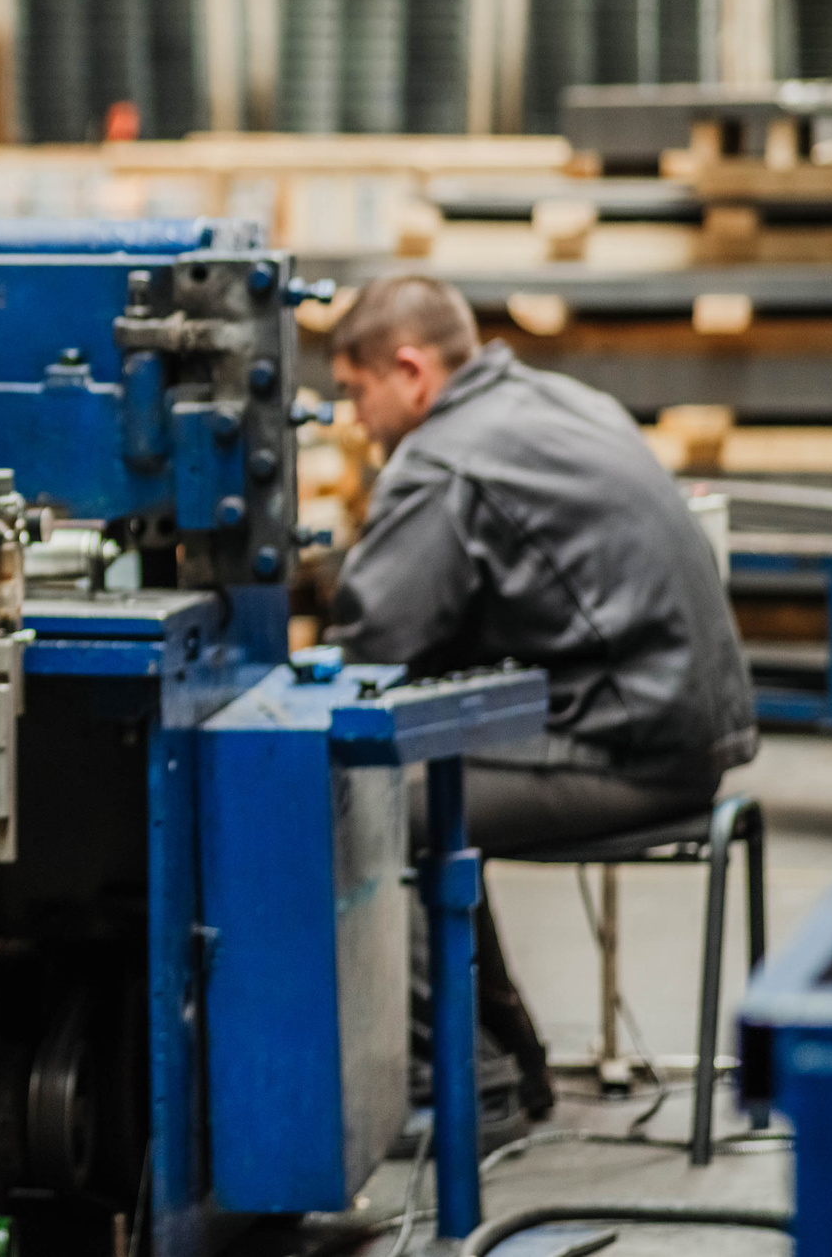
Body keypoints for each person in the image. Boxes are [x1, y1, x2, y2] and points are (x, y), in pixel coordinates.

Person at [322, 275, 756, 1119]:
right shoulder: (555, 399)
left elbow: (372, 647)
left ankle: (453, 1085)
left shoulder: (446, 454)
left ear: (410, 371)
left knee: (362, 805)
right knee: (426, 784)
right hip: (687, 728)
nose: (352, 419)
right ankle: (507, 1064)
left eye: (353, 390)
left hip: (633, 746)